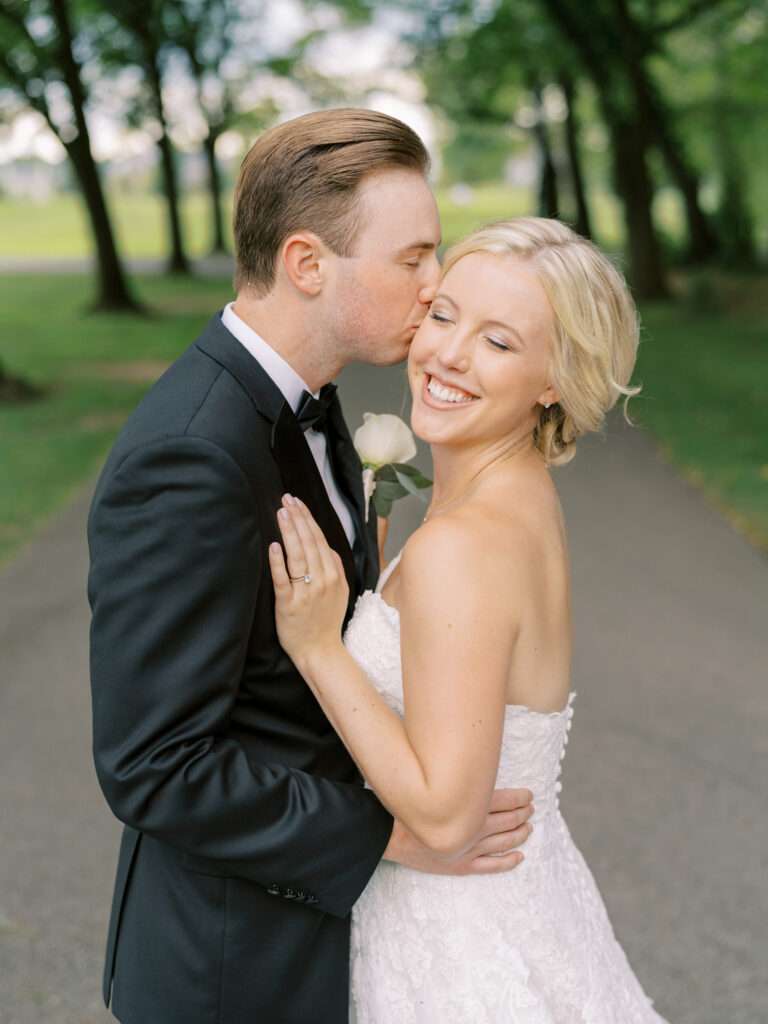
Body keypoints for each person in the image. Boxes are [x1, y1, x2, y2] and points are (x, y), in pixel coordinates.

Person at [87, 109, 535, 1024]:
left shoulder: (311, 398)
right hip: (234, 967)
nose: (434, 282)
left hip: (330, 946)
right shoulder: (191, 457)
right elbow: (155, 764)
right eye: (411, 258)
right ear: (306, 264)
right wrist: (395, 832)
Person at [269, 217, 670, 1022]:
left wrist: (320, 649)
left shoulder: (464, 543)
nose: (448, 355)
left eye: (499, 342)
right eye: (445, 315)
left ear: (554, 377)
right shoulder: (515, 499)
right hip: (529, 893)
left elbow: (449, 817)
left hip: (460, 932)